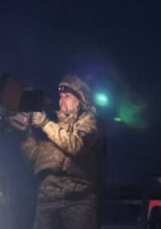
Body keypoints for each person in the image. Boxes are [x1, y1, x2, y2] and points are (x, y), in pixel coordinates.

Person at [21, 74, 105, 229]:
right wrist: (24, 132)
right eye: (61, 96)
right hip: (47, 200)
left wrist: (45, 124)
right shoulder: (53, 128)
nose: (62, 101)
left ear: (81, 100)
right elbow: (33, 157)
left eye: (67, 96)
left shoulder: (90, 122)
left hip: (78, 201)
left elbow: (75, 145)